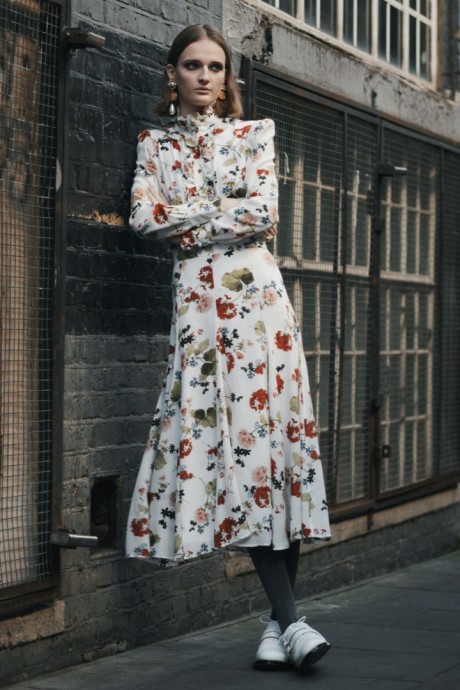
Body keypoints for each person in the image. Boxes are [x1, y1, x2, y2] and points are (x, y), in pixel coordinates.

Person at [125, 23, 332, 674]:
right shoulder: (154, 144)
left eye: (216, 67)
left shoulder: (253, 135)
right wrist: (220, 212)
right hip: (198, 318)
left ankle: (282, 623)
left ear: (227, 77)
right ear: (173, 74)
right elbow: (142, 220)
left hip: (261, 313)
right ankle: (289, 623)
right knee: (237, 455)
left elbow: (262, 213)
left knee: (275, 455)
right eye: (193, 65)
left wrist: (187, 218)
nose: (205, 77)